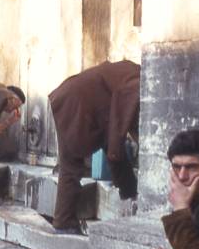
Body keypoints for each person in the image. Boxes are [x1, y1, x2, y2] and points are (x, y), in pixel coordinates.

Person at [48, 60, 140, 235]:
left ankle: (64, 220)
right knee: (73, 164)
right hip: (79, 104)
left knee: (105, 152)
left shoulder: (131, 73)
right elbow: (123, 117)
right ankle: (64, 222)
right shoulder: (139, 80)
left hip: (75, 99)